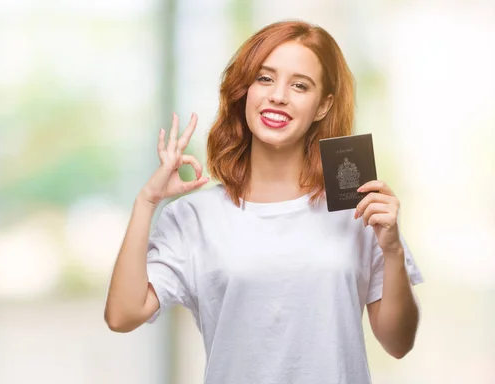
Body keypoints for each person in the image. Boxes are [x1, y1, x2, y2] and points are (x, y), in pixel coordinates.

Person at [104, 19, 423, 384]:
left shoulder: (359, 208)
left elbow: (398, 343)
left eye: (300, 85)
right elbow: (122, 315)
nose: (279, 96)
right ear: (245, 91)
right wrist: (147, 201)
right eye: (264, 78)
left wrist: (393, 249)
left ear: (323, 106)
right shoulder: (195, 217)